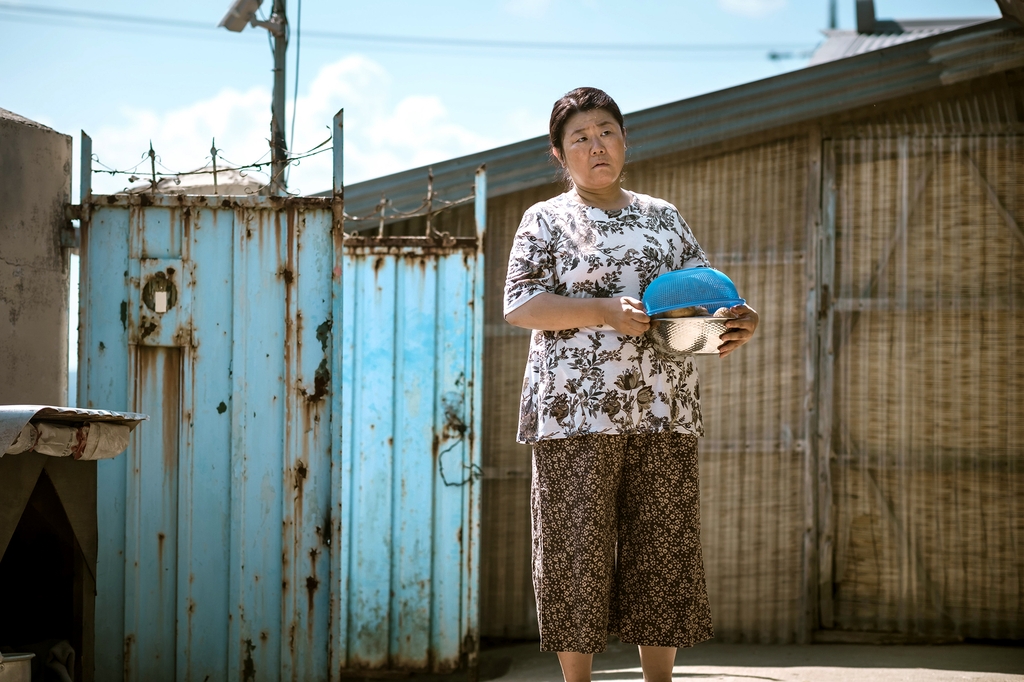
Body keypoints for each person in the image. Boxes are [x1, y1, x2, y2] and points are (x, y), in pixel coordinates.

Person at [502, 87, 758, 682]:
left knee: (662, 547)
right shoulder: (545, 220)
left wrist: (733, 325)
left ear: (625, 140)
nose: (597, 145)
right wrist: (603, 311)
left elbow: (699, 306)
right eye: (581, 138)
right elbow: (520, 306)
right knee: (576, 548)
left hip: (664, 409)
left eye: (607, 131)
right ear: (559, 154)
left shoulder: (663, 218)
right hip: (575, 412)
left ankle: (659, 680)